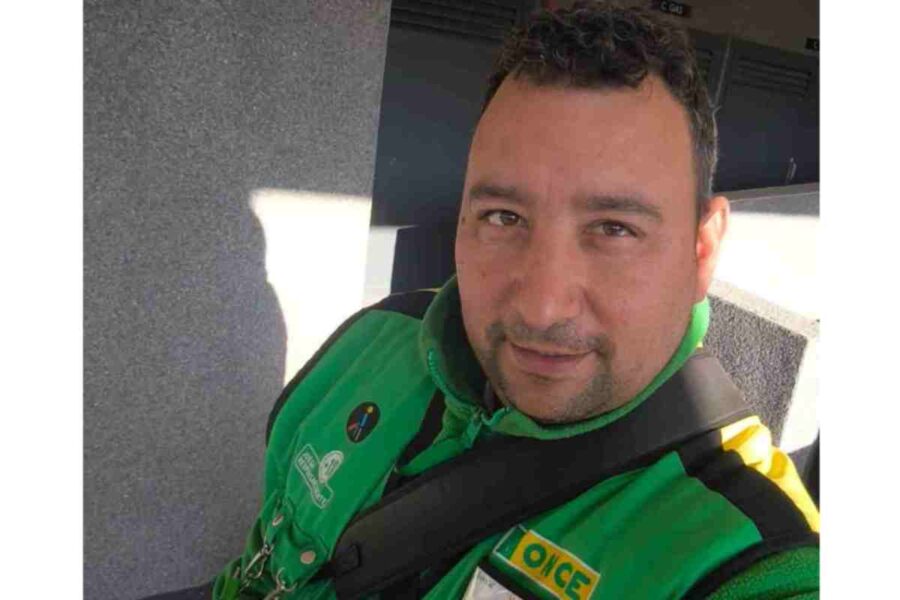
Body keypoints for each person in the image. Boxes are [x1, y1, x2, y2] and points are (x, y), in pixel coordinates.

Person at [152, 2, 819, 598]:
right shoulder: (371, 341)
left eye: (614, 229)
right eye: (503, 217)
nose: (542, 309)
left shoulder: (748, 551)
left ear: (701, 250)